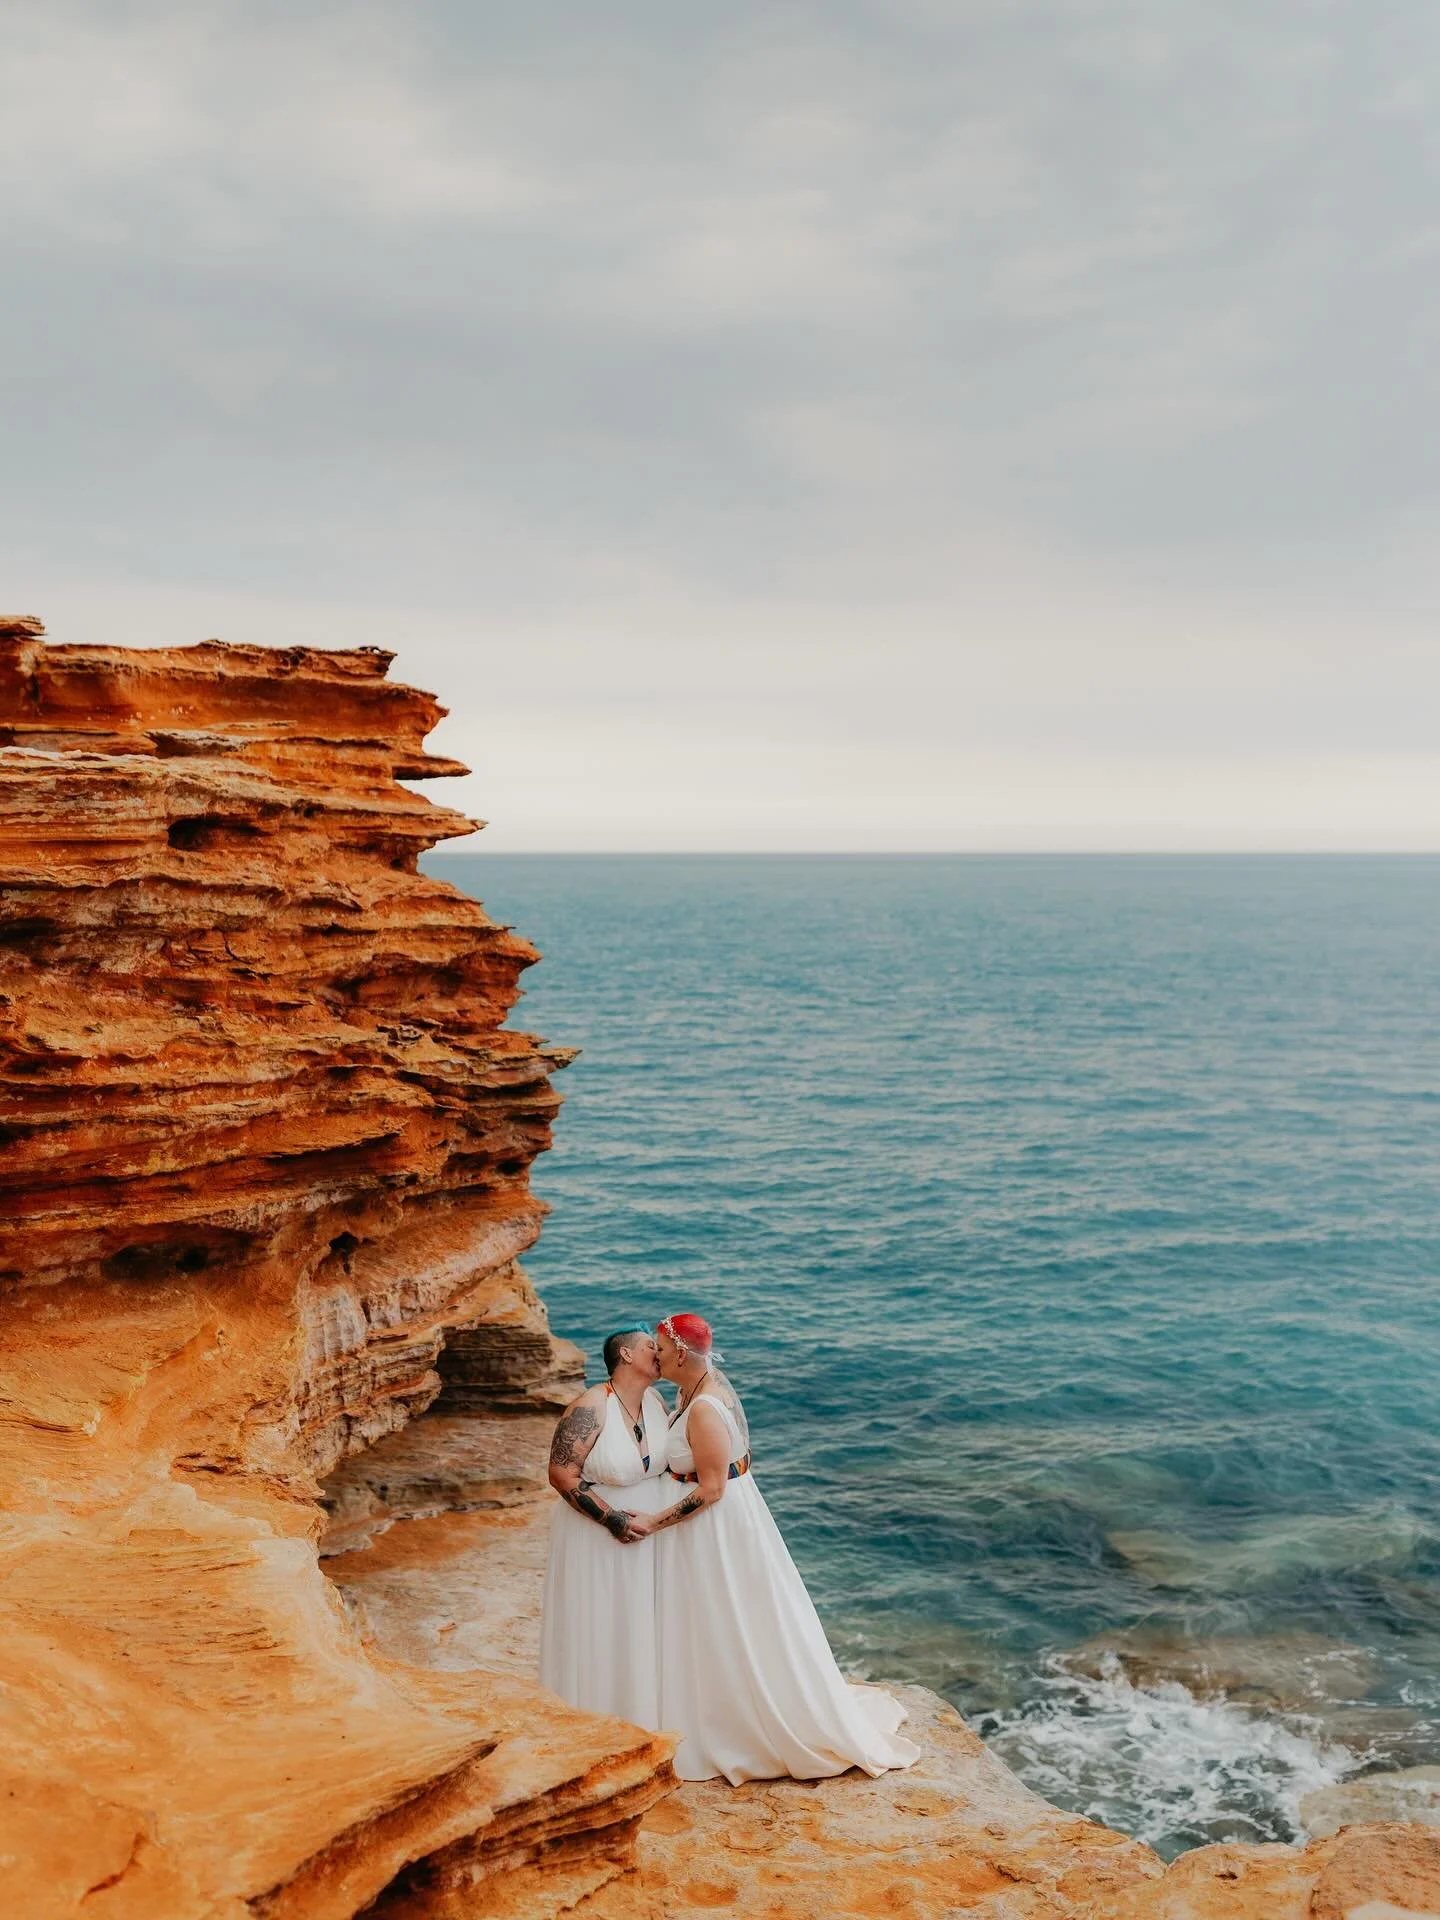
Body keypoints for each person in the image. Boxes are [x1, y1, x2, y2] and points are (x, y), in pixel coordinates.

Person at [631, 1311, 920, 1784]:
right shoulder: (699, 1385)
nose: (655, 1358)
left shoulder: (703, 1406)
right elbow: (738, 1457)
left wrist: (654, 1521)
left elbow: (711, 1490)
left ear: (680, 1353)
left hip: (714, 1524)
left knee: (725, 1616)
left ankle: (737, 1722)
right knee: (723, 1617)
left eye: (660, 1351)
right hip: (732, 1517)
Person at [537, 1324, 671, 1726]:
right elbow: (562, 1475)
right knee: (601, 1624)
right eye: (652, 1346)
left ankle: (643, 1713)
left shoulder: (657, 1400)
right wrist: (611, 1519)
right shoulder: (590, 1406)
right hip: (596, 1534)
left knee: (642, 1624)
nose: (659, 1352)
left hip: (648, 1534)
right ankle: (595, 1715)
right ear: (626, 1355)